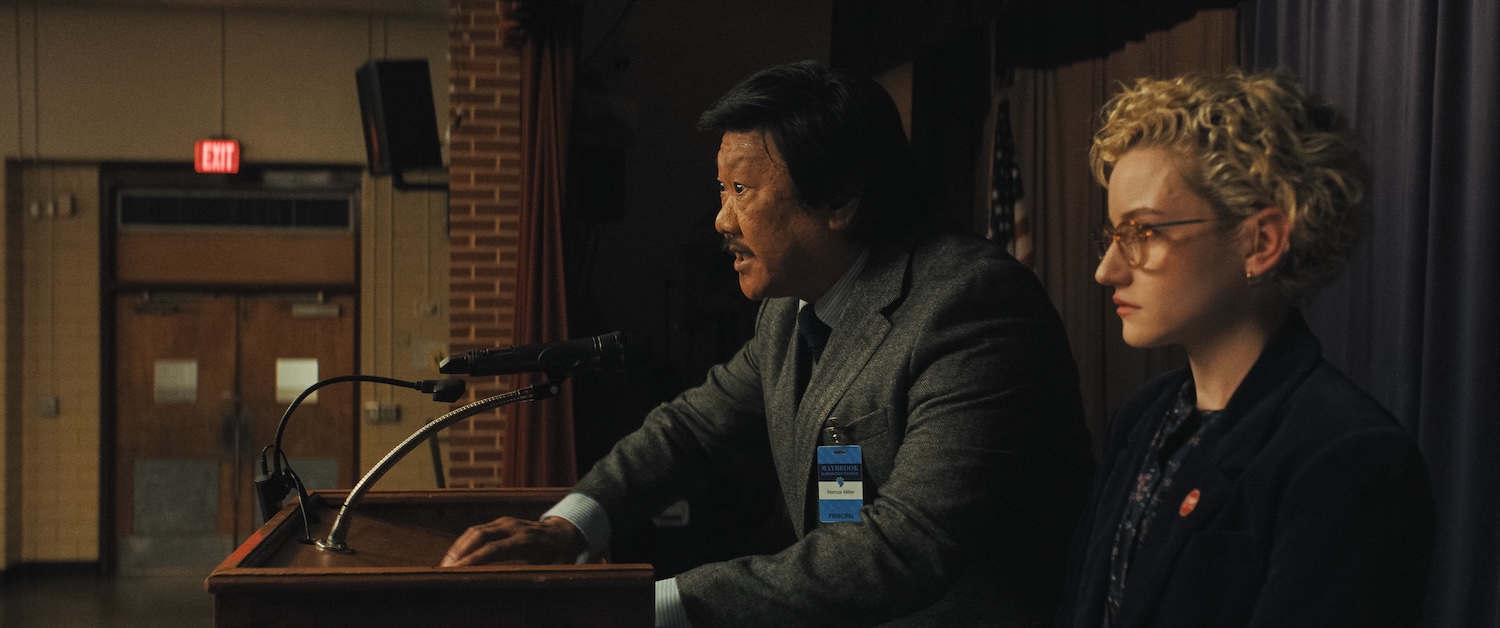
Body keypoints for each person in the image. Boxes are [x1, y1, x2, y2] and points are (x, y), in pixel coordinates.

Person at [442, 60, 1095, 627]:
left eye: (742, 191)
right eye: (721, 190)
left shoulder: (971, 306)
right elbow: (692, 429)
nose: (721, 219)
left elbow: (906, 545)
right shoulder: (789, 309)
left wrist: (646, 606)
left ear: (839, 199)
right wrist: (567, 526)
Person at [1059, 70, 1434, 627]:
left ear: (1261, 242)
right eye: (1113, 236)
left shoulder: (1347, 456)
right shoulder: (1141, 416)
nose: (1106, 270)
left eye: (1144, 233)